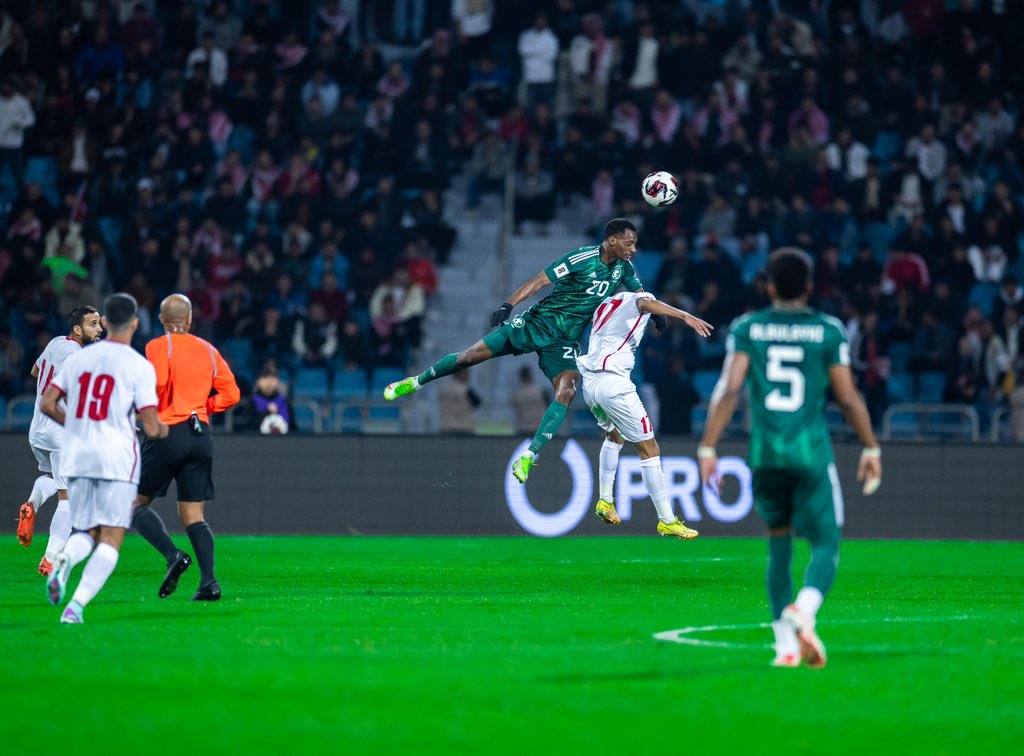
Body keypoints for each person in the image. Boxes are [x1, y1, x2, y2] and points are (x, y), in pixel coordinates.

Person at [697, 248, 882, 669]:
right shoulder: (828, 330)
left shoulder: (748, 327)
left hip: (765, 456)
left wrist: (708, 447)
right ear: (810, 287)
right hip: (810, 455)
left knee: (778, 546)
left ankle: (785, 648)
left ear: (769, 286)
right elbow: (847, 396)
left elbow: (729, 388)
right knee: (826, 541)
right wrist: (870, 445)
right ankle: (805, 609)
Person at [384, 219, 649, 483]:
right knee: (468, 357)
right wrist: (508, 305)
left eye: (635, 244)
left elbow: (640, 296)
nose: (633, 249)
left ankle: (529, 456)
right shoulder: (581, 258)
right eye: (629, 243)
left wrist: (653, 311)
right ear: (612, 240)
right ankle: (414, 382)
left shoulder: (623, 269)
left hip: (564, 341)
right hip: (535, 324)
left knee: (567, 391)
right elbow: (540, 281)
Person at [41, 293, 168, 623]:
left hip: (79, 455)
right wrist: (163, 428)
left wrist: (75, 425)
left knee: (85, 529)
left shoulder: (78, 359)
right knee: (111, 536)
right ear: (135, 324)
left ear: (107, 322)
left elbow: (47, 403)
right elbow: (151, 426)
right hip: (116, 459)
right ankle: (75, 607)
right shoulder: (138, 366)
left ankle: (65, 559)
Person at [131, 294, 240, 601]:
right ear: (189, 320)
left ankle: (173, 556)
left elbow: (158, 383)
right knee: (194, 515)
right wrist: (202, 407)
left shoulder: (158, 345)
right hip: (200, 434)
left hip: (169, 430)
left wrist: (143, 410)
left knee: (133, 504)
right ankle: (209, 583)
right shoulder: (208, 349)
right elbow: (232, 394)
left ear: (162, 320)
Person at [577, 290, 712, 537]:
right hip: (614, 384)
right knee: (650, 449)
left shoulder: (603, 304)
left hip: (590, 383)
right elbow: (644, 302)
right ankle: (667, 520)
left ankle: (605, 500)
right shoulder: (635, 298)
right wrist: (684, 316)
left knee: (614, 435)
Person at [17, 306, 103, 576]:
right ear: (77, 329)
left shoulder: (56, 342)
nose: (99, 328)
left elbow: (35, 371)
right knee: (69, 498)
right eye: (93, 324)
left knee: (52, 478)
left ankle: (31, 504)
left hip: (37, 430)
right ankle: (51, 557)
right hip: (60, 430)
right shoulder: (78, 357)